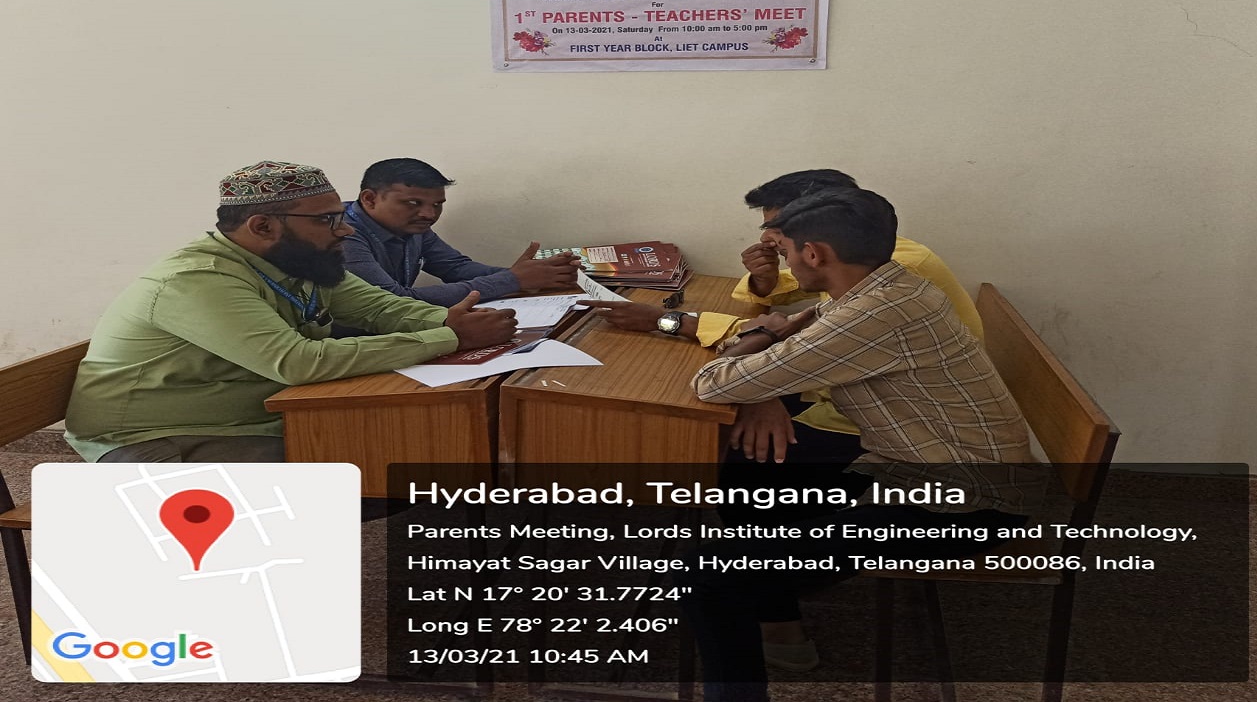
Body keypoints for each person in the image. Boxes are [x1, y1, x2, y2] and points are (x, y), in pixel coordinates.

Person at [678, 188, 1034, 701]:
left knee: (708, 574)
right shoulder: (892, 287)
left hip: (965, 506)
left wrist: (763, 335)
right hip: (923, 471)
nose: (785, 263)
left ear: (814, 253)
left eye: (785, 251)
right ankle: (777, 615)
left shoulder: (871, 316)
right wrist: (774, 346)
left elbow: (715, 382)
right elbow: (791, 349)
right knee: (753, 476)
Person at [64, 161, 517, 464]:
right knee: (385, 460)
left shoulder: (301, 261)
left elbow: (381, 307)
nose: (344, 231)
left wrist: (449, 321)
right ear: (262, 226)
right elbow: (298, 362)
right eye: (327, 220)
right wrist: (451, 338)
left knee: (424, 443)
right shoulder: (198, 279)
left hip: (257, 417)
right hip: (158, 439)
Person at [582, 169, 982, 465]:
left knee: (739, 452)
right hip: (858, 392)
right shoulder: (873, 267)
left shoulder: (886, 291)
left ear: (815, 242)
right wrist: (766, 293)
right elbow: (794, 329)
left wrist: (672, 323)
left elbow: (724, 377)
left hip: (905, 434)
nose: (767, 239)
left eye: (778, 229)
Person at [341, 158, 579, 307]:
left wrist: (541, 275)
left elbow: (456, 268)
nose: (429, 214)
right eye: (413, 203)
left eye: (437, 204)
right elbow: (395, 302)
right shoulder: (340, 234)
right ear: (370, 199)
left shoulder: (412, 226)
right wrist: (513, 279)